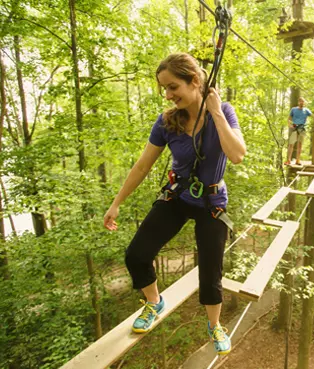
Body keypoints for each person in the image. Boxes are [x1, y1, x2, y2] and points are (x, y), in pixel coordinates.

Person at [103, 53, 246, 356]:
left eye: (172, 87)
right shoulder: (167, 122)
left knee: (210, 272)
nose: (168, 95)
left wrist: (216, 113)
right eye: (164, 89)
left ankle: (214, 325)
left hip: (211, 201)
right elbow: (142, 166)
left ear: (195, 81)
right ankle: (154, 303)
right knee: (136, 255)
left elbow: (236, 155)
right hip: (178, 195)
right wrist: (116, 203)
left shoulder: (224, 112)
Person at [285, 97, 314, 165]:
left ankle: (298, 160)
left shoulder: (306, 110)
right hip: (295, 127)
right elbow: (289, 118)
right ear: (298, 102)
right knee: (291, 144)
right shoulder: (294, 109)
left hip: (302, 128)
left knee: (299, 144)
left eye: (303, 101)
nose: (302, 103)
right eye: (300, 101)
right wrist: (289, 125)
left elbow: (313, 116)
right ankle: (288, 160)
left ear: (304, 103)